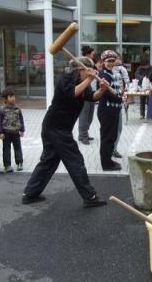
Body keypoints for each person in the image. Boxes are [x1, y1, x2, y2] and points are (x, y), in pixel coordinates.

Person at [22, 57, 109, 207]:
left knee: (49, 161)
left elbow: (91, 97)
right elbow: (73, 93)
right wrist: (89, 79)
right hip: (55, 128)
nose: (94, 74)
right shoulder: (66, 79)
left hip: (59, 128)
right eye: (91, 71)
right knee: (75, 161)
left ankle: (30, 194)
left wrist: (102, 89)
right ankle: (90, 197)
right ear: (82, 69)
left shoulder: (82, 83)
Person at [98, 50, 124, 171]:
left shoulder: (110, 73)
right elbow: (107, 93)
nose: (111, 63)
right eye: (109, 61)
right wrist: (120, 99)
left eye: (113, 61)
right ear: (103, 62)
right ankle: (106, 164)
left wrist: (121, 95)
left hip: (113, 110)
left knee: (111, 136)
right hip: (107, 110)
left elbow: (115, 90)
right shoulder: (103, 75)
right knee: (107, 137)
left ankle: (108, 160)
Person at [0, 87, 25, 173]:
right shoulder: (2, 110)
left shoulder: (17, 109)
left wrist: (22, 129)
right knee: (6, 149)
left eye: (14, 96)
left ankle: (19, 163)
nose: (13, 98)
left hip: (16, 132)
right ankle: (7, 165)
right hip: (6, 133)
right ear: (6, 98)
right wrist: (0, 132)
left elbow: (21, 119)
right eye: (10, 96)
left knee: (18, 148)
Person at [112, 53, 130, 159]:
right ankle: (111, 149)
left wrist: (125, 94)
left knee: (118, 127)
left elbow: (127, 82)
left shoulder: (121, 69)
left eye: (117, 59)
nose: (115, 61)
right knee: (113, 128)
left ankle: (113, 148)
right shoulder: (105, 71)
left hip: (118, 101)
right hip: (110, 103)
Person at [78, 45, 96, 145]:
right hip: (83, 90)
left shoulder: (91, 64)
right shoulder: (82, 64)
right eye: (93, 54)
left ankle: (85, 133)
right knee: (84, 115)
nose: (94, 55)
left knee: (90, 115)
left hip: (90, 90)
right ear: (88, 54)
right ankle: (83, 135)